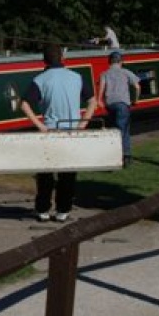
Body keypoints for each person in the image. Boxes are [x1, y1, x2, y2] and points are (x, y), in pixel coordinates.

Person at [19, 43, 97, 223]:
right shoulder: (77, 77)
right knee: (68, 174)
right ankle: (63, 210)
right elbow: (93, 101)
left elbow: (24, 104)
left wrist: (40, 126)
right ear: (63, 58)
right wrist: (82, 124)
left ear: (43, 60)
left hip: (50, 131)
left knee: (45, 173)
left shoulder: (40, 80)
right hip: (72, 131)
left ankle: (43, 210)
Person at [97, 51, 141, 166]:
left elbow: (101, 90)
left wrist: (99, 101)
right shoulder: (126, 72)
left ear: (109, 62)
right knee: (124, 130)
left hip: (110, 105)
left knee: (114, 129)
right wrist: (135, 100)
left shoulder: (104, 74)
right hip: (122, 104)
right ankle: (125, 156)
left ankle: (115, 155)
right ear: (121, 61)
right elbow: (137, 86)